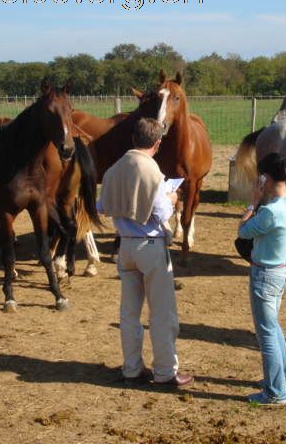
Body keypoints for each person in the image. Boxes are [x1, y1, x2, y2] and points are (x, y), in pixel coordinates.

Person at [97, 117, 193, 387]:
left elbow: (101, 206)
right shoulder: (151, 170)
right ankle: (164, 372)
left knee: (129, 313)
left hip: (124, 246)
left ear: (133, 139)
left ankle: (131, 368)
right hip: (150, 247)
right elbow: (161, 211)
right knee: (162, 313)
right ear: (158, 142)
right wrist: (172, 198)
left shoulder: (114, 169)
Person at [238, 152, 286, 406]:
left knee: (265, 334)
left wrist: (253, 202)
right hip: (283, 270)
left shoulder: (270, 213)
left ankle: (276, 392)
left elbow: (243, 231)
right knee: (273, 325)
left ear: (264, 178)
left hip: (265, 275)